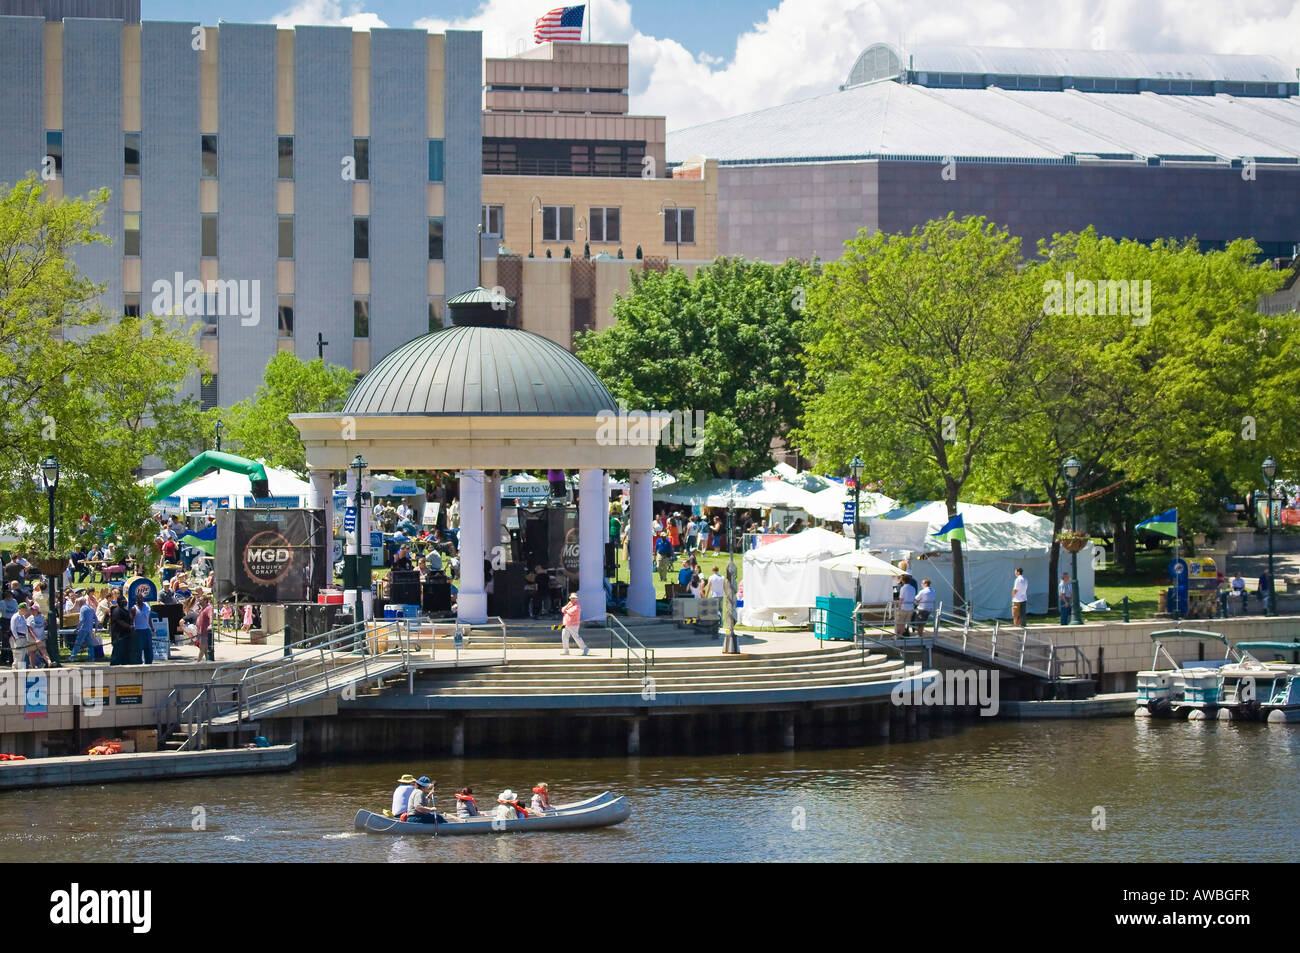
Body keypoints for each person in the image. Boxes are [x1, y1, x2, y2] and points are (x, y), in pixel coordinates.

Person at [69, 594, 101, 662]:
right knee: (90, 645)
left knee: (78, 643)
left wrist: (77, 628)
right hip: (89, 629)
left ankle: (72, 656)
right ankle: (91, 658)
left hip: (83, 629)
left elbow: (81, 620)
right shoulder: (91, 608)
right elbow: (96, 619)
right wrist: (96, 628)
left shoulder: (82, 609)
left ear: (80, 602)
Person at [110, 592, 133, 665]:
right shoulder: (117, 610)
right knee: (116, 655)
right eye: (123, 601)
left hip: (126, 636)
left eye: (125, 600)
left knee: (125, 656)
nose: (125, 602)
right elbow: (119, 621)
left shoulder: (125, 610)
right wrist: (129, 626)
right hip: (118, 637)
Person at [132, 592, 154, 664]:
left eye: (141, 598)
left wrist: (152, 628)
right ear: (136, 599)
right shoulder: (134, 608)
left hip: (147, 630)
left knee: (148, 649)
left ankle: (149, 662)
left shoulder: (147, 606)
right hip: (138, 630)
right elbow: (131, 620)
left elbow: (149, 618)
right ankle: (138, 663)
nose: (140, 600)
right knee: (138, 649)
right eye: (138, 598)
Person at [195, 593, 214, 661]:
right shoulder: (202, 609)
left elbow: (211, 616)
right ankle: (208, 661)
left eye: (201, 600)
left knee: (202, 648)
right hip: (200, 632)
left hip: (205, 633)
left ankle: (197, 663)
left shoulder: (208, 608)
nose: (199, 601)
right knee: (205, 649)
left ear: (205, 601)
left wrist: (211, 624)